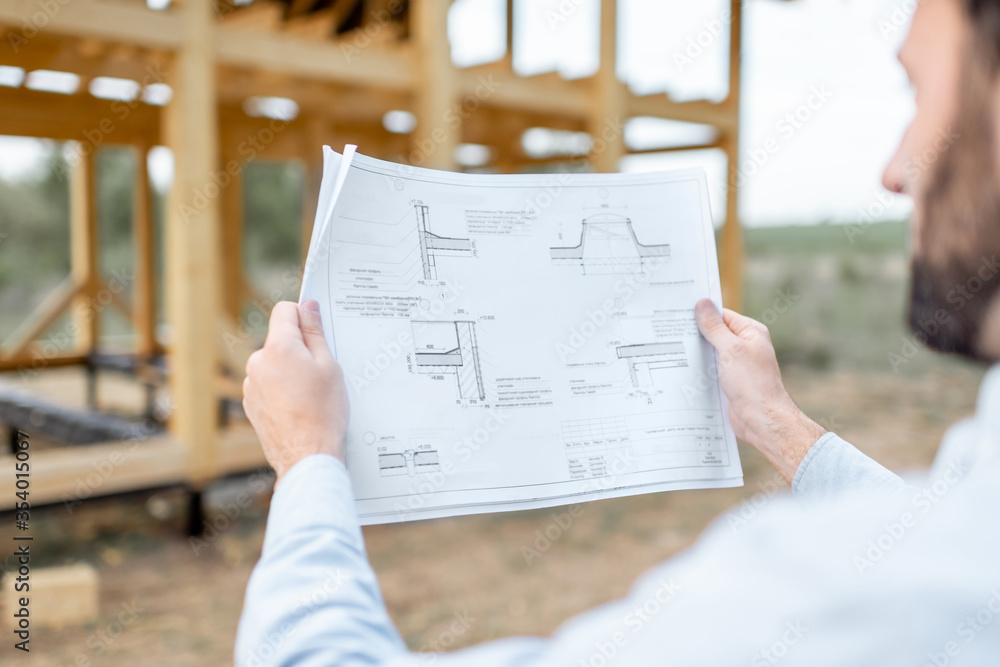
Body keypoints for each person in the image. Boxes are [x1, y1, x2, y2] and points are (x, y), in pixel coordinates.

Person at [235, 0, 1000, 664]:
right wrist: (781, 425)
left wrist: (306, 462)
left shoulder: (844, 605)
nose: (896, 169)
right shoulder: (956, 551)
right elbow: (945, 530)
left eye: (920, 88)